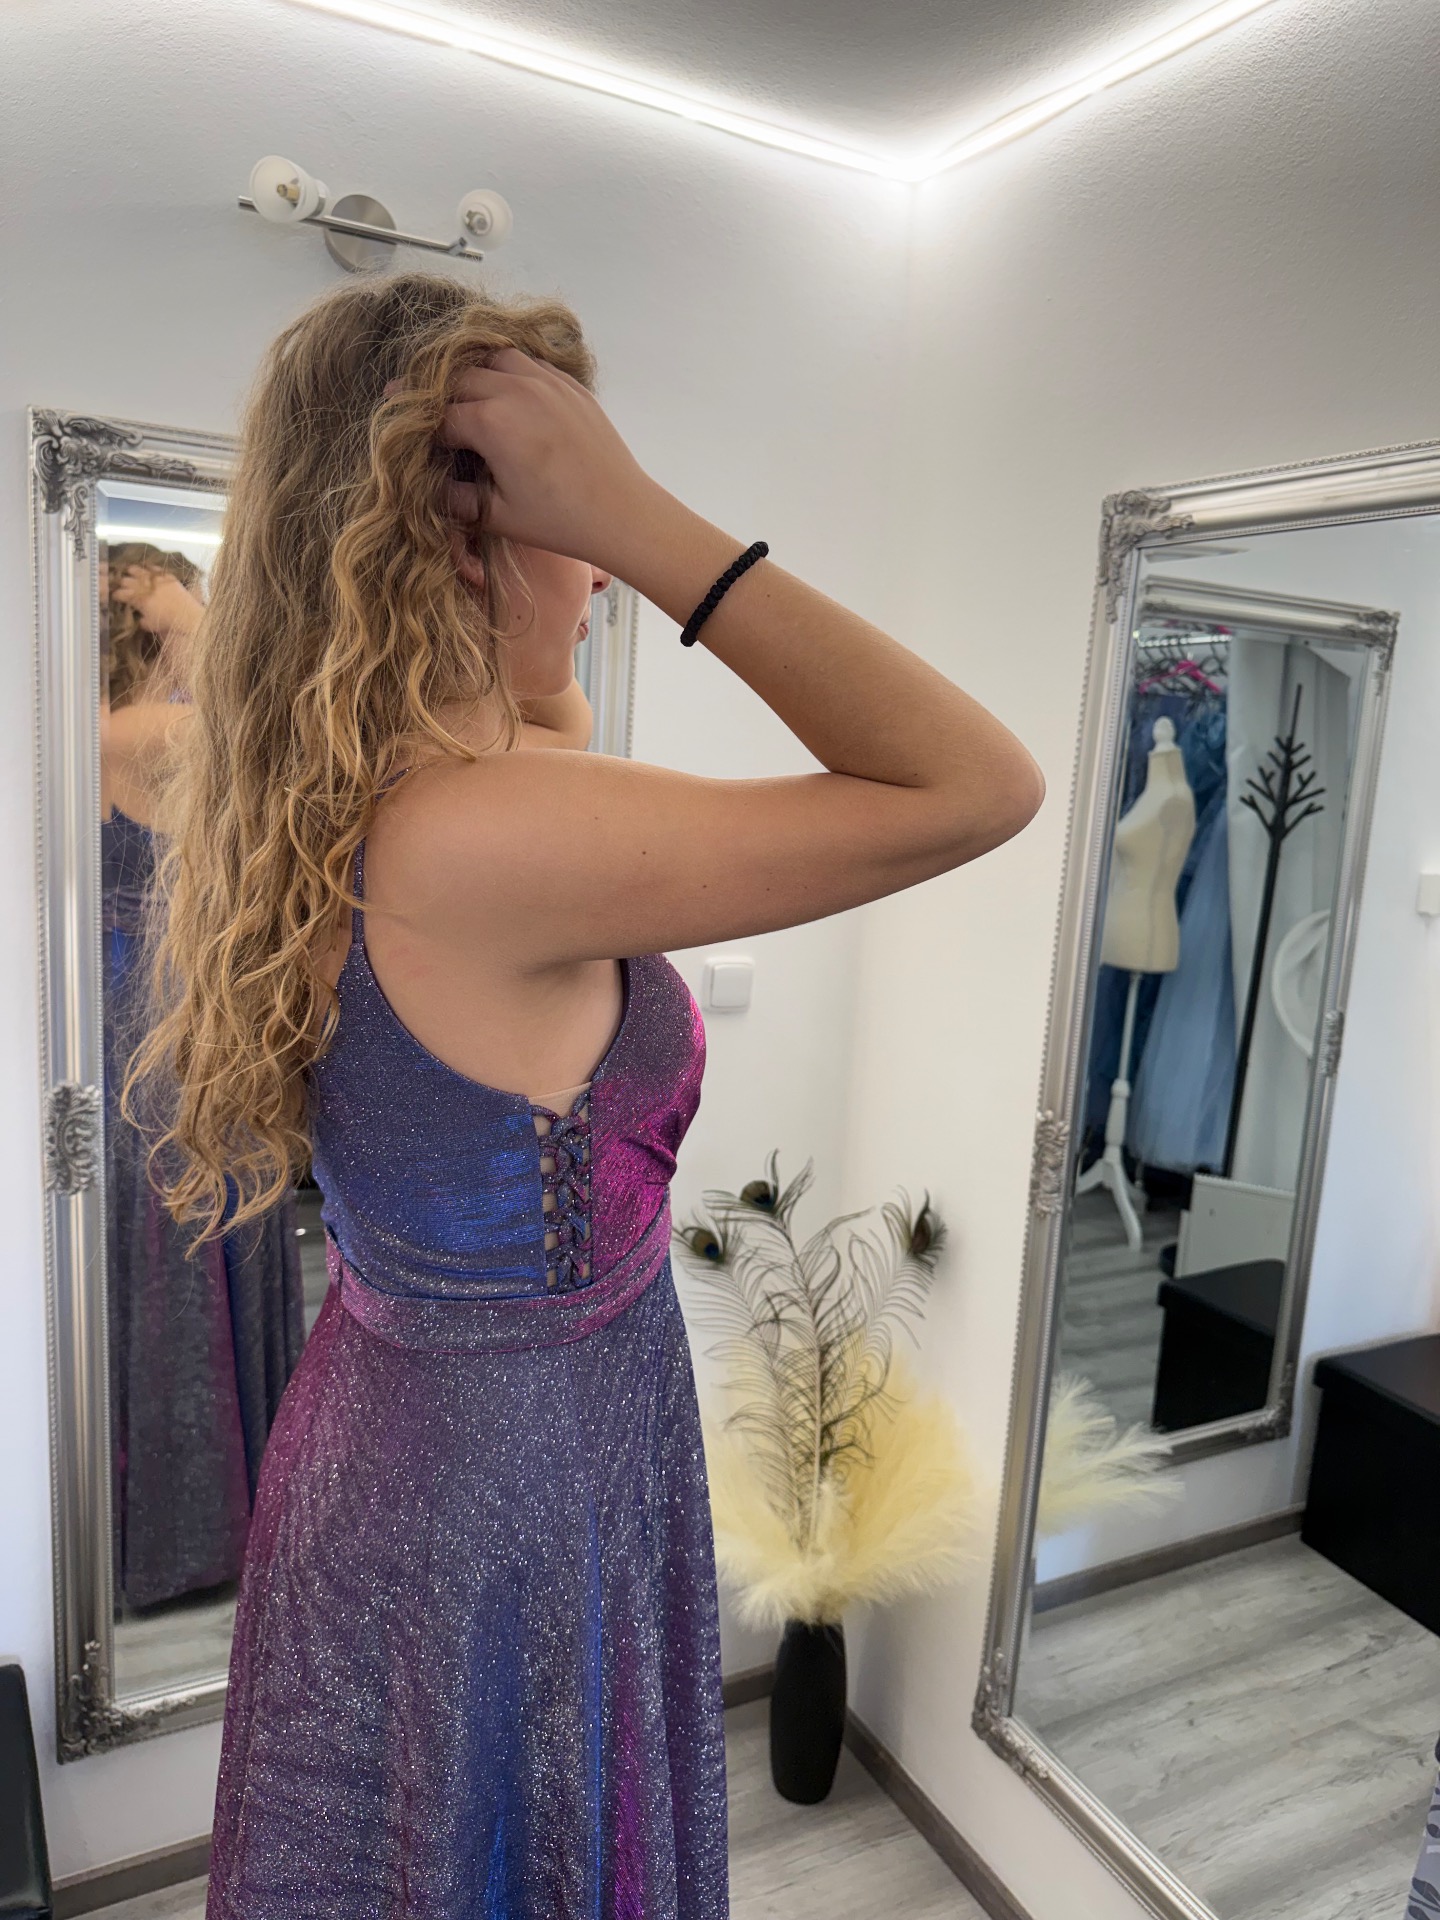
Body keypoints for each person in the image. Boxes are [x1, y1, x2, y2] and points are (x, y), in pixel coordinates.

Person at [122, 273, 1044, 1919]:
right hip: (513, 1481)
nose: (600, 566)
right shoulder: (480, 836)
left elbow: (546, 711)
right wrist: (646, 520)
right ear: (457, 533)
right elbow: (978, 785)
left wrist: (543, 530)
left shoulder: (370, 790)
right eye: (569, 514)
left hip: (434, 1433)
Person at [99, 547, 304, 1612]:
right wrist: (192, 612)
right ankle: (205, 1522)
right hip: (169, 1008)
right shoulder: (150, 733)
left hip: (119, 1005)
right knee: (189, 1229)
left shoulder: (92, 730)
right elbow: (269, 698)